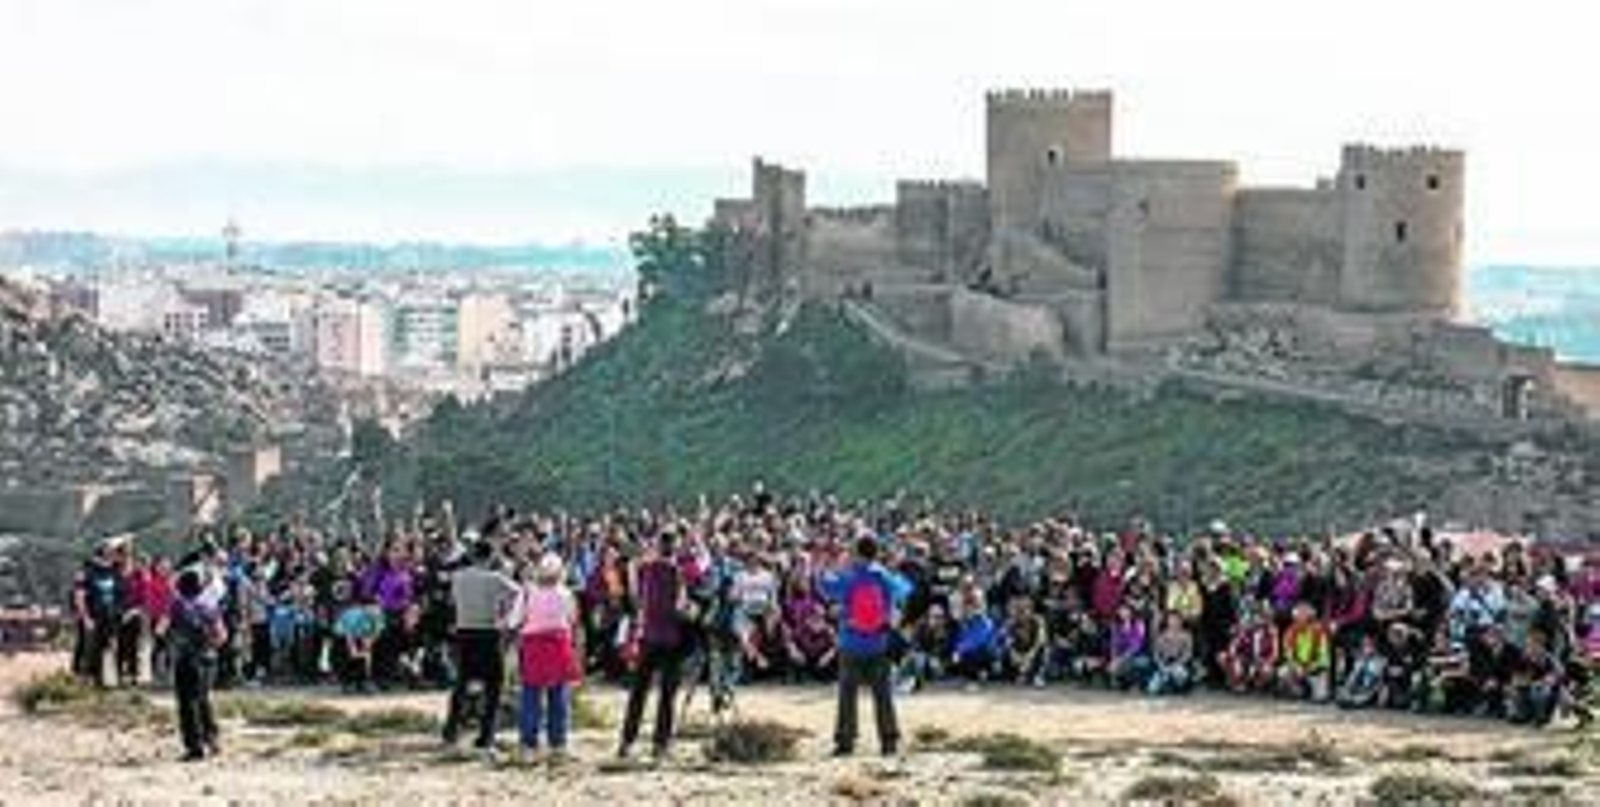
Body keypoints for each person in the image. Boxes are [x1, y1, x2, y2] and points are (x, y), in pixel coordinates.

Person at [821, 534, 912, 758]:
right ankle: (889, 740)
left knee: (847, 695)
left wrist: (830, 566)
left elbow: (825, 587)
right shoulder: (883, 575)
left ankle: (845, 742)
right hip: (878, 642)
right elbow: (906, 590)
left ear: (857, 552)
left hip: (851, 641)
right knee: (883, 695)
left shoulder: (850, 576)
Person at [442, 539, 519, 756]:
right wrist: (505, 617)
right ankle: (486, 735)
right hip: (488, 632)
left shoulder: (458, 577)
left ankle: (451, 730)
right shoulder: (495, 578)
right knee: (494, 686)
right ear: (490, 556)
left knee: (461, 684)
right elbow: (518, 593)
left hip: (464, 632)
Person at [620, 530, 692, 760]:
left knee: (638, 693)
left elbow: (632, 586)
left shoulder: (645, 568)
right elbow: (681, 607)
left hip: (647, 637)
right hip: (670, 639)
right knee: (666, 696)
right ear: (674, 546)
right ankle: (660, 745)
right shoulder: (677, 572)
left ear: (659, 545)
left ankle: (626, 741)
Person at [509, 552, 583, 758]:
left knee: (531, 696)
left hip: (533, 646)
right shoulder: (566, 594)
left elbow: (514, 621)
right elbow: (573, 620)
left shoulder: (527, 593)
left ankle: (528, 745)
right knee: (558, 697)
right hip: (558, 645)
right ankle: (557, 744)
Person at [169, 566, 225, 761]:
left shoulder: (178, 605)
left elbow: (163, 629)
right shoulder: (209, 607)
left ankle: (195, 747)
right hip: (209, 658)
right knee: (204, 699)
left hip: (187, 658)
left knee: (187, 704)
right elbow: (221, 636)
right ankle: (213, 739)